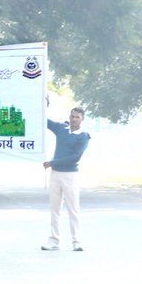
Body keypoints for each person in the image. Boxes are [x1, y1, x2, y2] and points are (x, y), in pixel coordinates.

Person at [42, 106, 90, 252]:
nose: (74, 119)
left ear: (82, 119)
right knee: (54, 208)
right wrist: (45, 105)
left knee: (73, 208)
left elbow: (75, 157)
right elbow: (45, 121)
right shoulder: (62, 128)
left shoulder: (84, 136)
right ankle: (54, 241)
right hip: (55, 174)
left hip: (70, 175)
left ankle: (76, 241)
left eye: (77, 117)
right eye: (72, 116)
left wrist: (52, 163)